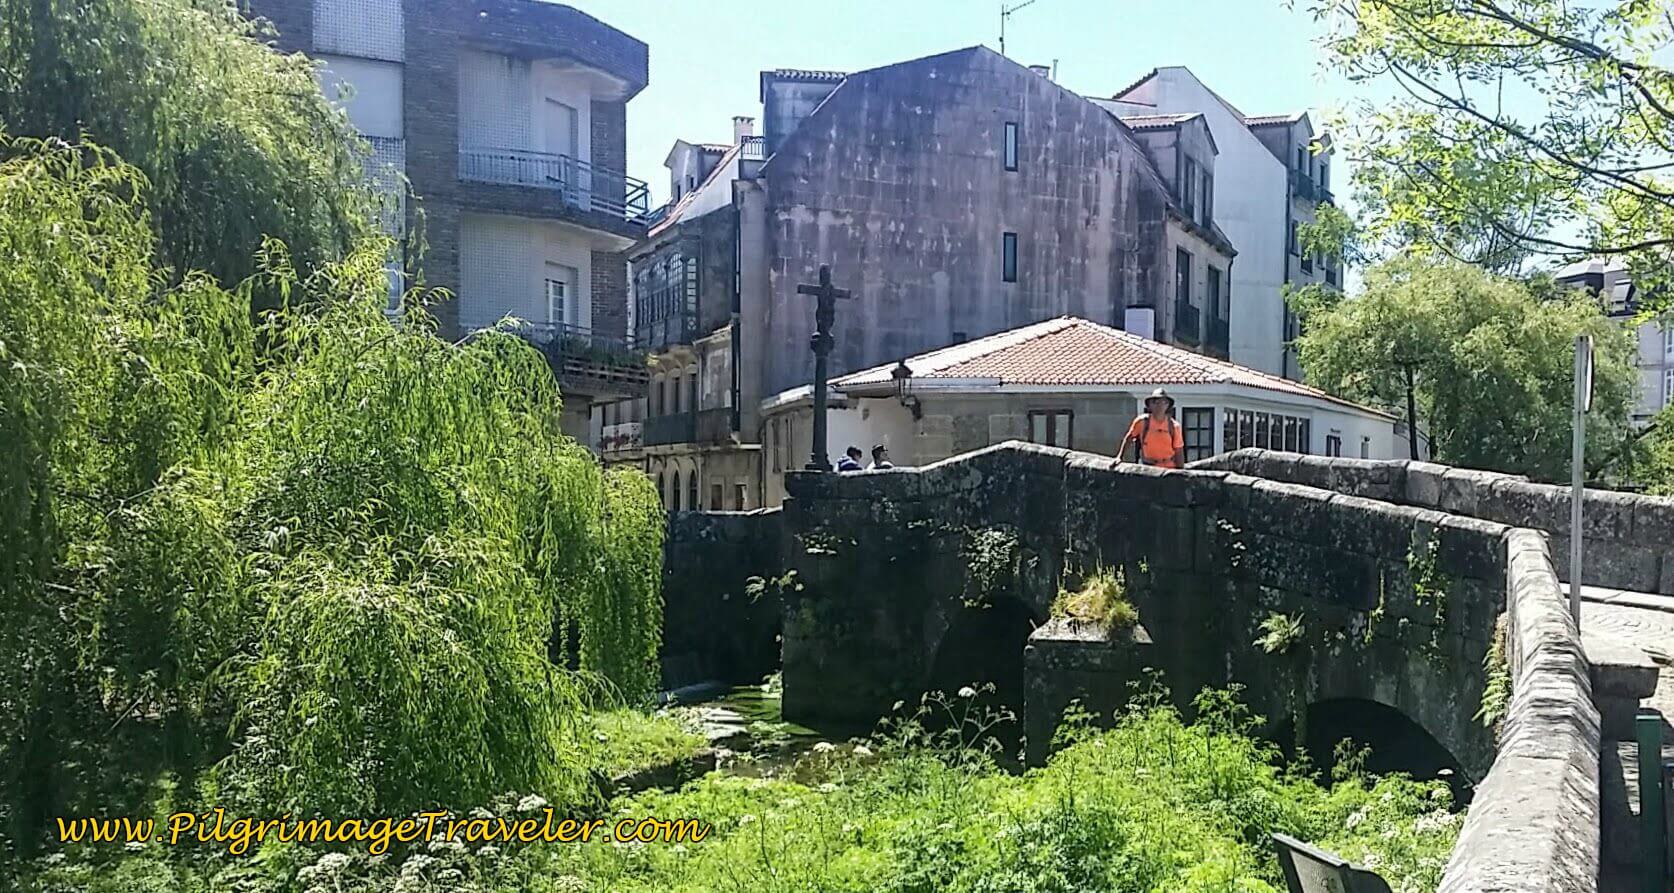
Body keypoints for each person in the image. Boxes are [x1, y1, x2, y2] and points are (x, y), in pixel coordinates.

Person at [1117, 388, 1185, 469]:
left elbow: (1179, 451)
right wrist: (1119, 457)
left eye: (1163, 402)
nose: (1159, 405)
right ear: (1149, 405)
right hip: (1148, 467)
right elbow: (1129, 438)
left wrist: (1180, 472)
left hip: (1168, 468)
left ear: (1167, 405)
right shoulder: (1142, 422)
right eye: (1155, 402)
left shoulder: (1174, 426)